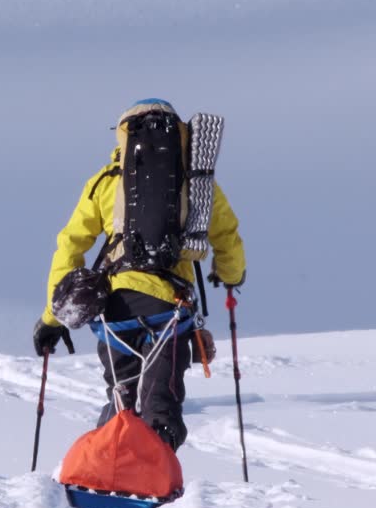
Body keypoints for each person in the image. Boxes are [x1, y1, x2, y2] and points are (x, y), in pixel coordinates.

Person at [33, 99, 246, 451]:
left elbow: (70, 246)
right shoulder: (198, 183)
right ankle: (155, 478)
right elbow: (227, 235)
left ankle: (106, 470)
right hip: (170, 308)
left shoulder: (104, 181)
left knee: (122, 395)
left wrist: (52, 318)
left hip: (116, 309)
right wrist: (230, 276)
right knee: (161, 400)